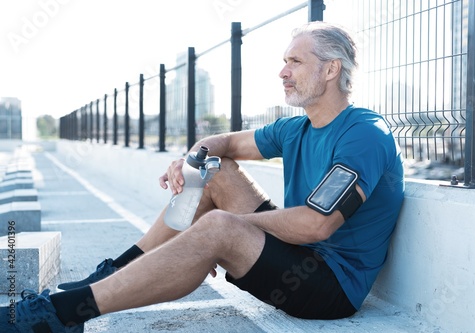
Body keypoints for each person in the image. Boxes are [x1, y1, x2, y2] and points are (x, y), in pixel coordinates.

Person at [1, 21, 404, 333]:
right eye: (284, 61)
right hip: (295, 254)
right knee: (213, 174)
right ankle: (109, 275)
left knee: (218, 228)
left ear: (332, 68)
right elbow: (223, 143)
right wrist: (192, 159)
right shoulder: (295, 128)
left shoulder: (364, 134)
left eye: (295, 62)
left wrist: (221, 230)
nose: (282, 72)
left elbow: (318, 224)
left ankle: (58, 315)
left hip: (329, 286)